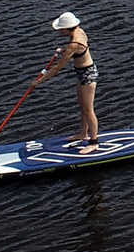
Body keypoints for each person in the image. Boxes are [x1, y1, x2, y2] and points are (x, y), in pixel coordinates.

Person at [43, 10, 100, 149]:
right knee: (82, 104)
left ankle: (94, 142)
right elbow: (78, 49)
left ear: (67, 28)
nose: (59, 31)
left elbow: (57, 68)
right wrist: (63, 50)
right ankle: (82, 133)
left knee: (88, 109)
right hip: (81, 72)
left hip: (88, 74)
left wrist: (39, 81)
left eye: (61, 29)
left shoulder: (74, 43)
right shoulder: (79, 32)